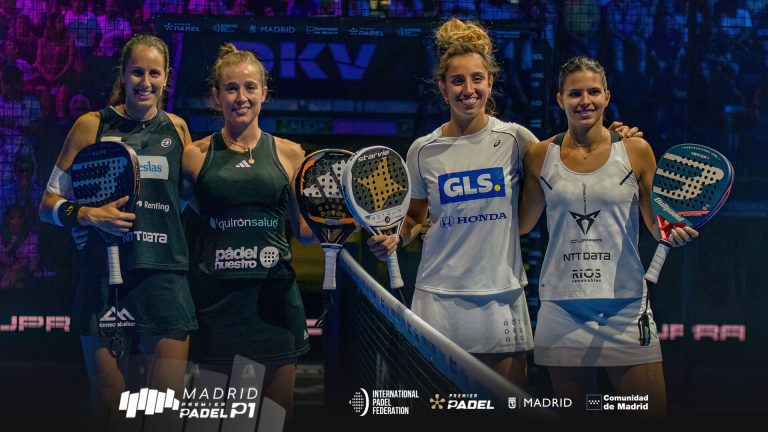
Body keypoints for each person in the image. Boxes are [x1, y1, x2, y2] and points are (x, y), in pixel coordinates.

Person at [367, 19, 639, 389]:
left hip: (502, 297)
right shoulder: (423, 150)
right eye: (458, 81)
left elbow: (572, 158)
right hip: (437, 299)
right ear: (443, 88)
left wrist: (616, 138)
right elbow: (415, 216)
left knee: (506, 411)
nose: (468, 90)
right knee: (439, 410)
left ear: (490, 83)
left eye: (477, 79)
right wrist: (397, 237)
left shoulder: (516, 140)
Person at [518, 56, 697, 416]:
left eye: (593, 92)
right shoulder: (539, 156)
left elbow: (656, 224)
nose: (585, 101)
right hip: (562, 307)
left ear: (607, 96)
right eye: (575, 94)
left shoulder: (636, 150)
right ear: (560, 99)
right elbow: (521, 224)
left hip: (625, 306)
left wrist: (673, 232)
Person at [38, 34, 197, 415]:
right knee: (110, 403)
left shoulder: (178, 129)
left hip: (164, 277)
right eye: (137, 72)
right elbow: (47, 205)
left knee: (164, 405)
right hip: (104, 277)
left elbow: (185, 199)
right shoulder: (91, 125)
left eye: (154, 73)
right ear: (123, 74)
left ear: (166, 77)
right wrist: (87, 215)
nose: (146, 82)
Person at [181, 43, 315, 416]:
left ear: (264, 93)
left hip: (274, 304)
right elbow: (171, 214)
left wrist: (343, 223)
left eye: (250, 87)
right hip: (216, 305)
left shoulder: (291, 153)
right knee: (221, 422)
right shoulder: (193, 156)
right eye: (231, 88)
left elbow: (305, 232)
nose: (241, 97)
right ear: (216, 96)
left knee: (273, 420)